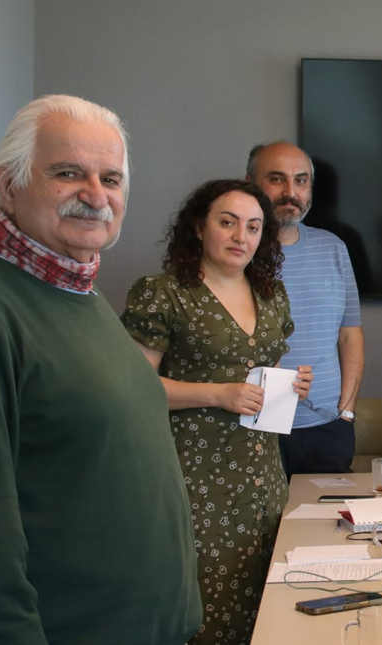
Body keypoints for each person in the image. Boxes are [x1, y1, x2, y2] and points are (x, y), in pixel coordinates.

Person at [0, 94, 201, 644]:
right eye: (67, 173)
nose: (96, 195)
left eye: (111, 178)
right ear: (9, 185)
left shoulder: (82, 296)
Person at [122, 179, 311, 645]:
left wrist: (291, 386)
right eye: (227, 223)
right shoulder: (164, 293)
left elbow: (260, 374)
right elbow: (133, 388)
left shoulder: (271, 294)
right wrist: (217, 394)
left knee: (268, 602)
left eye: (253, 227)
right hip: (194, 475)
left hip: (263, 474)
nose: (240, 237)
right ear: (198, 227)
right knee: (206, 604)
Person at [247, 141, 364, 477]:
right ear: (250, 183)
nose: (290, 192)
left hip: (328, 429)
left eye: (300, 180)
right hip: (256, 427)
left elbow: (350, 335)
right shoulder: (237, 254)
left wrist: (346, 412)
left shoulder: (334, 248)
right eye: (276, 179)